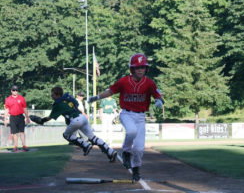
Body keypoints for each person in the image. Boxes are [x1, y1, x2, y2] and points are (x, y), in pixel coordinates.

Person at [88, 53, 164, 182]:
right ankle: (126, 152)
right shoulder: (124, 81)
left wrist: (159, 101)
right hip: (127, 114)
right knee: (131, 131)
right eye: (137, 67)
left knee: (140, 148)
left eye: (143, 67)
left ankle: (136, 170)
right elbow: (110, 91)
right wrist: (96, 97)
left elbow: (158, 95)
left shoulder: (149, 83)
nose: (140, 70)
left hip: (141, 117)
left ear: (146, 68)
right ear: (132, 69)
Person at [38, 86, 117, 162]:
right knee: (93, 138)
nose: (52, 96)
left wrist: (41, 120)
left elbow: (50, 117)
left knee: (66, 135)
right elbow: (76, 104)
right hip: (82, 117)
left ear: (58, 94)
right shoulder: (68, 98)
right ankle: (110, 151)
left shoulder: (58, 103)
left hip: (75, 120)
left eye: (53, 95)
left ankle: (85, 145)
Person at [4, 85, 30, 152]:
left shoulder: (21, 98)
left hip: (20, 117)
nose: (15, 91)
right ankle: (15, 147)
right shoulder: (8, 99)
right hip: (12, 117)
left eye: (16, 90)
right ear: (11, 91)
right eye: (13, 90)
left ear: (17, 91)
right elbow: (7, 109)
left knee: (22, 132)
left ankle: (24, 146)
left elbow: (25, 108)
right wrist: (5, 119)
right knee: (14, 133)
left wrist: (27, 117)